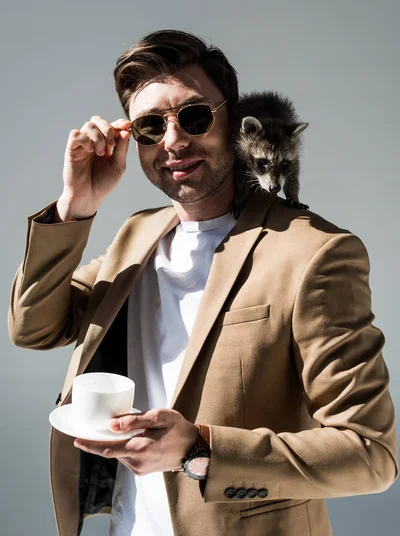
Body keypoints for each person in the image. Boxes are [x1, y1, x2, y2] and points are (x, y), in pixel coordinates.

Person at [8, 29, 398, 536]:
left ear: (232, 121)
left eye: (193, 117)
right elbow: (32, 328)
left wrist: (201, 450)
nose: (173, 141)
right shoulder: (138, 236)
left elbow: (371, 454)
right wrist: (74, 207)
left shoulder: (314, 253)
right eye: (151, 126)